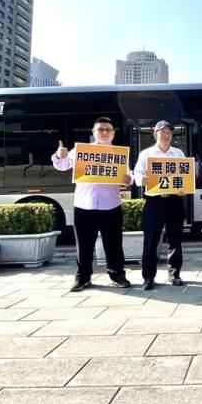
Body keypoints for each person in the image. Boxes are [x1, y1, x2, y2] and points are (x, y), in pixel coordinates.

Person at [52, 117, 133, 292]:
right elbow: (63, 165)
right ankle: (83, 277)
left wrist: (129, 179)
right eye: (100, 129)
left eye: (108, 130)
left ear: (113, 133)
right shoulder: (81, 151)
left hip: (111, 206)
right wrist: (60, 155)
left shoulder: (119, 154)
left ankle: (117, 274)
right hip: (84, 206)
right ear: (94, 132)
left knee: (114, 244)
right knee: (84, 245)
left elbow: (128, 175)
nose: (104, 132)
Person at [132, 120, 186, 291]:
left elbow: (186, 174)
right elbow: (137, 174)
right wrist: (143, 180)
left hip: (174, 201)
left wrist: (184, 187)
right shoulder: (146, 154)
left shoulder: (178, 153)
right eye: (162, 132)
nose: (166, 134)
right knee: (151, 241)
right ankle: (148, 277)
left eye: (169, 131)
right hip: (154, 201)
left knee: (175, 239)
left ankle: (174, 274)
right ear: (155, 134)